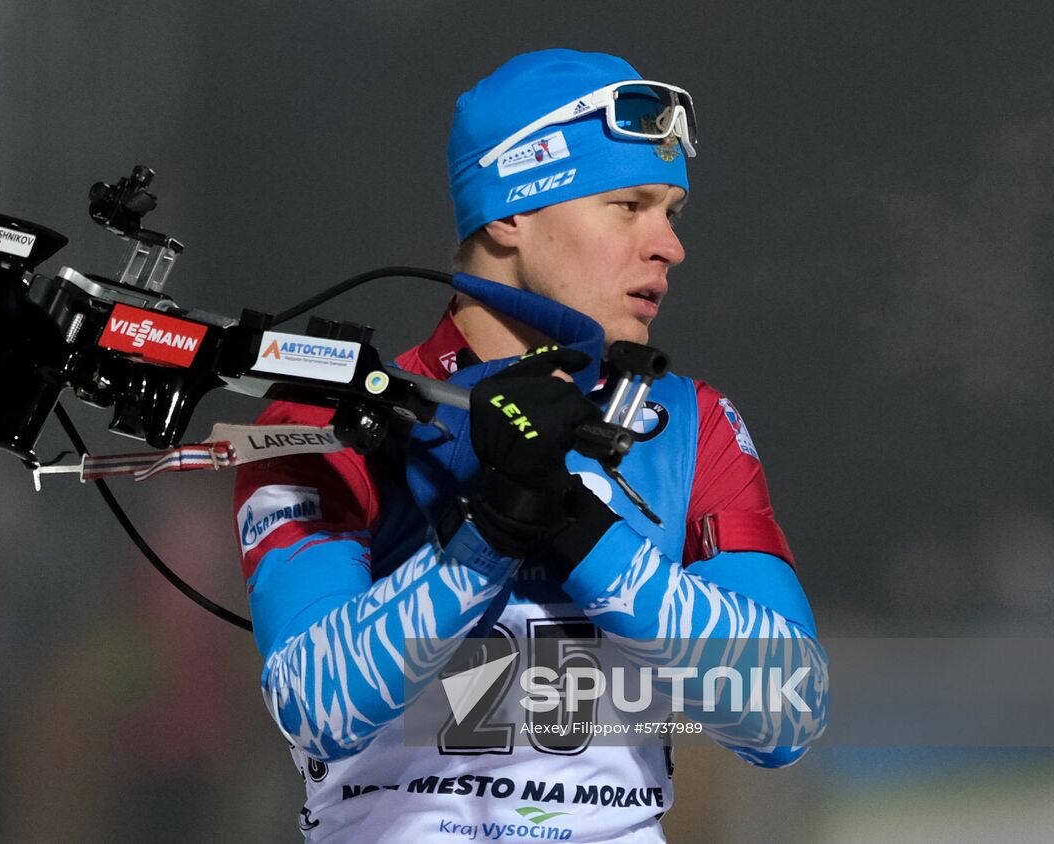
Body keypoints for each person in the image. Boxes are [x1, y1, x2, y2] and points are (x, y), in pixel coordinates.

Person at [233, 49, 828, 843]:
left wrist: (576, 526)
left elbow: (786, 713)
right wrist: (493, 530)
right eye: (628, 206)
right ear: (511, 213)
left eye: (671, 214)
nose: (668, 246)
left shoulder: (688, 423)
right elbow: (315, 705)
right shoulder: (332, 414)